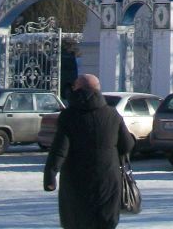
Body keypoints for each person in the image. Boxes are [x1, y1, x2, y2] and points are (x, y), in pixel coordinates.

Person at [43, 73, 136, 229]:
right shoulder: (112, 115)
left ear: (77, 89)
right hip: (107, 180)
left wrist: (50, 175)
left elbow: (59, 149)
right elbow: (127, 145)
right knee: (104, 222)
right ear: (98, 90)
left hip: (76, 183)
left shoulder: (69, 116)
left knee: (77, 222)